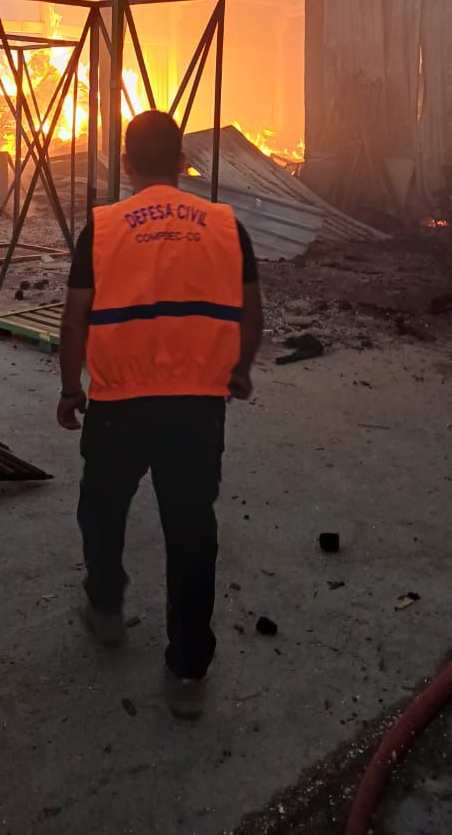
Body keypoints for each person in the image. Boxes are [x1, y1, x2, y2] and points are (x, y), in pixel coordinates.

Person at [57, 110, 263, 719]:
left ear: (125, 165)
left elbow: (74, 317)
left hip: (118, 404)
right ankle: (188, 673)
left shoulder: (102, 229)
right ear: (182, 163)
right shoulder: (226, 227)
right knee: (192, 532)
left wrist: (70, 389)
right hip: (196, 407)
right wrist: (240, 369)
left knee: (101, 510)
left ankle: (105, 607)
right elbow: (251, 312)